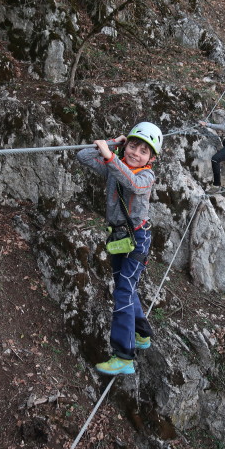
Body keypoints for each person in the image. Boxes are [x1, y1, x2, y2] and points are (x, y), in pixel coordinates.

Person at [76, 122, 163, 376]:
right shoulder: (116, 167)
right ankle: (142, 334)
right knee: (125, 286)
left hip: (137, 239)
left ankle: (124, 356)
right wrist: (113, 144)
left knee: (124, 290)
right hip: (118, 238)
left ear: (152, 159)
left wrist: (112, 156)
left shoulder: (146, 176)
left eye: (143, 151)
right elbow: (83, 156)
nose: (136, 153)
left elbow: (133, 183)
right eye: (133, 146)